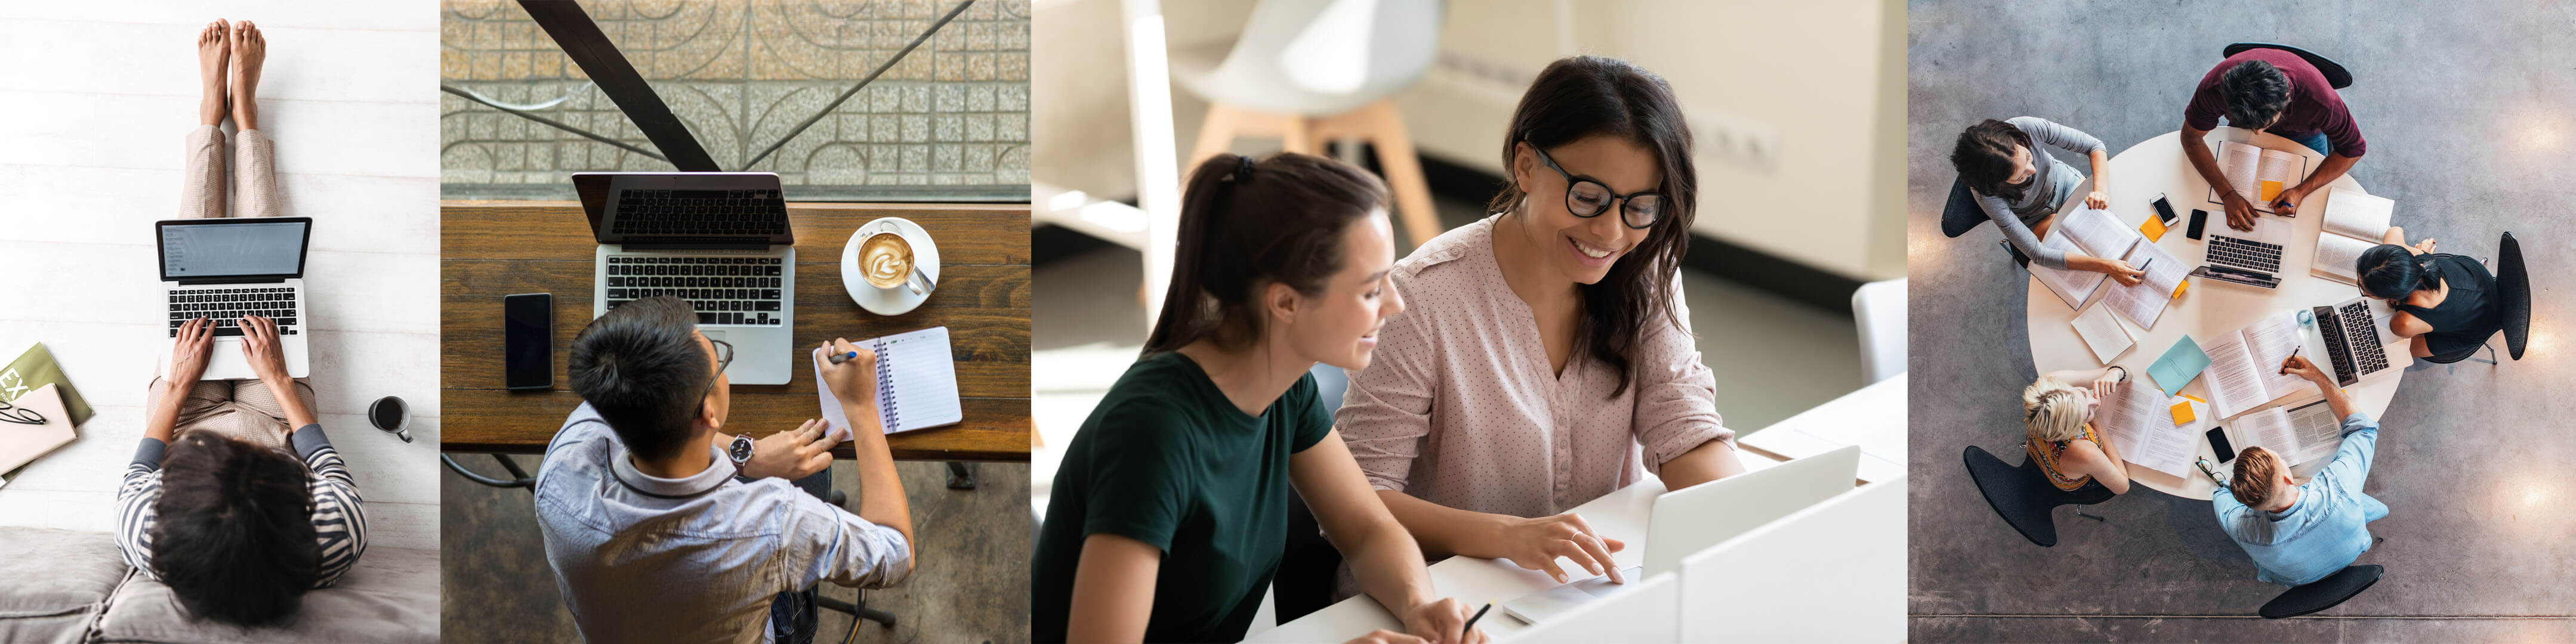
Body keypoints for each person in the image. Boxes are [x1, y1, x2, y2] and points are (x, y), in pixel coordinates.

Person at [1031, 153, 1483, 644]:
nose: (1395, 305)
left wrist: (1418, 604)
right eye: (1372, 290)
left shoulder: (1285, 388)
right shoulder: (1152, 436)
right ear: (1285, 302)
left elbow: (1366, 530)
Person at [1334, 55, 1748, 593]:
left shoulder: (1644, 273)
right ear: (1526, 166)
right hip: (1438, 596)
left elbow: (1684, 428)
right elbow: (1357, 502)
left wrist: (1749, 522)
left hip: (1577, 588)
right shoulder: (1423, 296)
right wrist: (1509, 536)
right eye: (1588, 197)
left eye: (1639, 207)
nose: (1610, 232)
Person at [111, 20, 369, 628]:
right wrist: (279, 381)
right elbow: (327, 467)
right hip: (277, 424)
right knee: (264, 268)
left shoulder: (149, 537)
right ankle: (246, 121)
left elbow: (144, 468)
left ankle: (210, 116)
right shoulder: (335, 540)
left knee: (196, 273)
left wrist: (177, 386)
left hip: (187, 421)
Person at [533, 295, 914, 643]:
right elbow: (896, 555)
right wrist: (861, 407)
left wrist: (749, 455)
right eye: (719, 358)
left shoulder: (562, 469)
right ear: (708, 413)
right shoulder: (773, 521)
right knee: (814, 472)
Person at [2211, 354, 2387, 586]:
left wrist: (2236, 485)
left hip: (2298, 579)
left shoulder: (2245, 531)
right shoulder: (2338, 490)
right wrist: (2318, 377)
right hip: (2353, 548)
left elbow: (2221, 495)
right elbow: (2363, 429)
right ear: (2287, 477)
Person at [2182, 48, 2367, 231]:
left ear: (2286, 99)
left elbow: (2354, 150)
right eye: (2252, 126)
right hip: (2246, 130)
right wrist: (2227, 193)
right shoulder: (2214, 87)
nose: (2258, 135)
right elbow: (2191, 138)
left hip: (2305, 135)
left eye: (2264, 124)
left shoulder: (2321, 101)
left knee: (2308, 212)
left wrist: (2301, 191)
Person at [1945, 117, 2144, 285]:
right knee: (2085, 258)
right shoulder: (1987, 196)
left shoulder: (2025, 128)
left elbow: (2094, 146)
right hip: (2035, 218)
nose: (2033, 171)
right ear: (1998, 186)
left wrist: (2100, 190)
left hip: (2066, 184)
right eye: (2020, 177)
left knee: (2115, 225)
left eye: (2029, 158)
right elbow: (2038, 254)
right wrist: (2105, 266)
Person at [2355, 229, 2501, 361]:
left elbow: (2401, 328)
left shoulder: (2403, 323)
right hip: (2477, 277)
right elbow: (2394, 232)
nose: (2357, 284)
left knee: (2396, 350)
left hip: (2478, 326)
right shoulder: (2414, 255)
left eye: (2364, 290)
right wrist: (2416, 251)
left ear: (2391, 296)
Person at [2018, 367, 2135, 496]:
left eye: (2083, 393)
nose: (2095, 402)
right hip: (2071, 479)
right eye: (2087, 414)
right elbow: (2123, 486)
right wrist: (2097, 421)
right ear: (2074, 430)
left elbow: (2125, 372)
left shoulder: (2049, 386)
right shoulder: (2086, 453)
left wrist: (2115, 373)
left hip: (2037, 449)